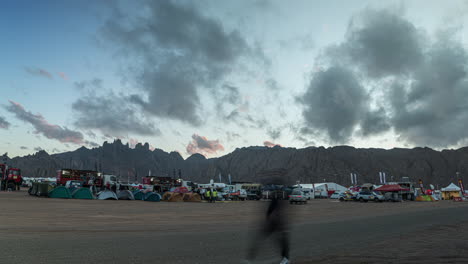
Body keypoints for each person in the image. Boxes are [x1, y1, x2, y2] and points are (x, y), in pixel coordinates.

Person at [246, 178, 289, 264]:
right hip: (273, 224)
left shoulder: (277, 199)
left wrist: (270, 218)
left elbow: (272, 212)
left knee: (280, 241)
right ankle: (285, 258)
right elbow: (270, 212)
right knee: (278, 240)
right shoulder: (276, 199)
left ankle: (285, 258)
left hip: (276, 223)